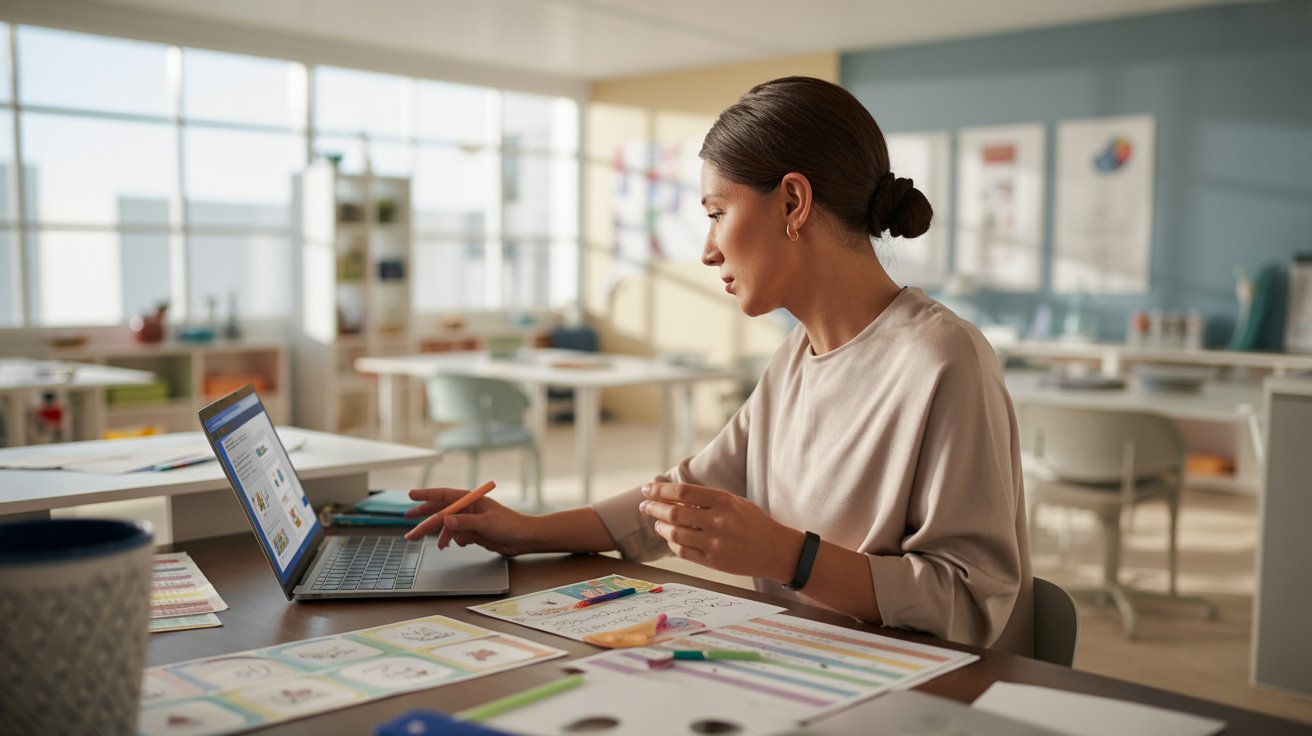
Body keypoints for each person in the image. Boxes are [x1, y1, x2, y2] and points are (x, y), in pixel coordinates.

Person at [405, 76, 1032, 654]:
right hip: (793, 667)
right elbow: (678, 496)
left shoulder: (945, 361)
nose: (707, 251)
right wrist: (527, 531)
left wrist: (793, 557)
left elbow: (970, 604)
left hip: (903, 688)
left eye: (715, 214)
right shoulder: (793, 358)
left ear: (792, 202)